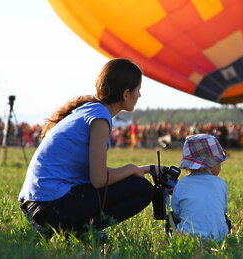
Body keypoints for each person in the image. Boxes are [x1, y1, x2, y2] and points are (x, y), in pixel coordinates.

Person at [18, 58, 155, 235]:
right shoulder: (100, 118)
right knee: (141, 189)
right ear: (126, 93)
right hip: (51, 206)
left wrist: (144, 169)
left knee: (135, 180)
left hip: (37, 204)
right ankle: (81, 231)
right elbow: (99, 180)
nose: (139, 95)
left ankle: (75, 229)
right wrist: (131, 169)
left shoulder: (89, 110)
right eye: (138, 90)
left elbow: (93, 177)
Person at [170, 134, 231, 241]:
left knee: (170, 217)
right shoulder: (220, 183)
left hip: (187, 236)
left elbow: (177, 212)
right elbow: (223, 209)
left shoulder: (181, 183)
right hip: (217, 237)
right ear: (212, 164)